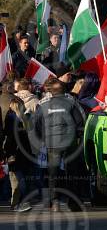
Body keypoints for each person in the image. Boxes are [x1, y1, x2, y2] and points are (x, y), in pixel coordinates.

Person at [32, 78, 85, 211]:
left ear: (51, 92)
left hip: (52, 144)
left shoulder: (43, 105)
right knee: (71, 173)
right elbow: (80, 123)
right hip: (70, 143)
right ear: (63, 90)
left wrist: (43, 138)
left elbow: (36, 124)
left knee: (53, 173)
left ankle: (54, 202)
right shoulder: (71, 103)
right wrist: (77, 137)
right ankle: (73, 202)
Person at [2, 98, 33, 212]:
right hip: (26, 153)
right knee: (22, 178)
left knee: (17, 180)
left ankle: (22, 202)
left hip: (14, 154)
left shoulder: (11, 119)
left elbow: (10, 138)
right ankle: (19, 203)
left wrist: (6, 152)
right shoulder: (25, 119)